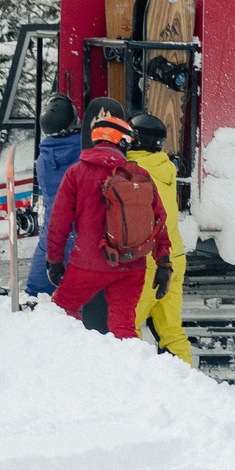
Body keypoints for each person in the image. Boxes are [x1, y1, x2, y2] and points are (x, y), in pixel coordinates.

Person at [45, 103, 168, 340]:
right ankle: (127, 370)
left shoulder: (77, 173)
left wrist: (54, 260)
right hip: (132, 264)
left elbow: (59, 222)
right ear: (122, 142)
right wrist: (163, 263)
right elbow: (159, 220)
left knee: (61, 310)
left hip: (89, 263)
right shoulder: (139, 174)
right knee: (123, 326)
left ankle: (82, 354)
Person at [126, 112, 195, 364]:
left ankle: (134, 382)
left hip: (150, 261)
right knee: (171, 330)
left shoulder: (131, 170)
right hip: (174, 257)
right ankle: (185, 382)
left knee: (126, 325)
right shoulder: (165, 168)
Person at [24, 93, 82, 299]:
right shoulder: (85, 152)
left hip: (52, 239)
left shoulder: (43, 160)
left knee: (34, 296)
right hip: (82, 239)